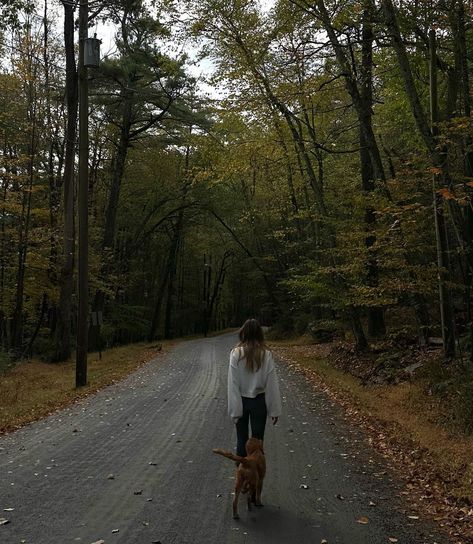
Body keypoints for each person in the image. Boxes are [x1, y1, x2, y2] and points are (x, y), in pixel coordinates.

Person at [228, 319, 282, 457]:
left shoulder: (236, 353)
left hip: (241, 400)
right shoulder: (266, 354)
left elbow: (233, 383)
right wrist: (274, 409)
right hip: (259, 402)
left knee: (241, 440)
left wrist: (235, 410)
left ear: (243, 333)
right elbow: (271, 384)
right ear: (259, 334)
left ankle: (241, 475)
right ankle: (257, 474)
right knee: (258, 442)